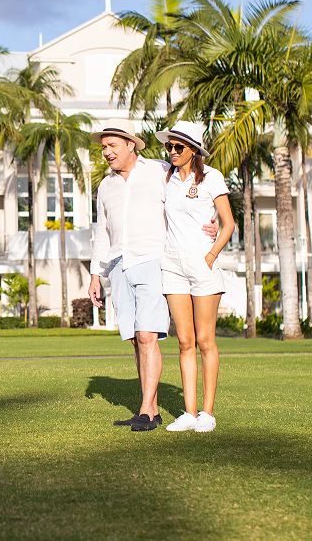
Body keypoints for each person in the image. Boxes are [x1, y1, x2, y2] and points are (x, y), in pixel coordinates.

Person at [88, 119, 217, 432]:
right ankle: (151, 408)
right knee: (136, 339)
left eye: (111, 146)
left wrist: (213, 221)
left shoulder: (161, 170)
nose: (106, 152)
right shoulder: (106, 186)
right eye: (103, 147)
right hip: (118, 264)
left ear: (130, 144)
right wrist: (96, 273)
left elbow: (195, 186)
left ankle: (146, 410)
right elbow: (101, 232)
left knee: (148, 335)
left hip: (153, 260)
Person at [156, 121, 235, 433]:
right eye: (169, 146)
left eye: (179, 147)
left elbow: (228, 223)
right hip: (172, 265)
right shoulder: (166, 178)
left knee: (205, 340)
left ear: (194, 150)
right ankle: (188, 413)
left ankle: (207, 413)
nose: (173, 152)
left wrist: (211, 255)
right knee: (184, 341)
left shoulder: (212, 177)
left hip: (203, 264)